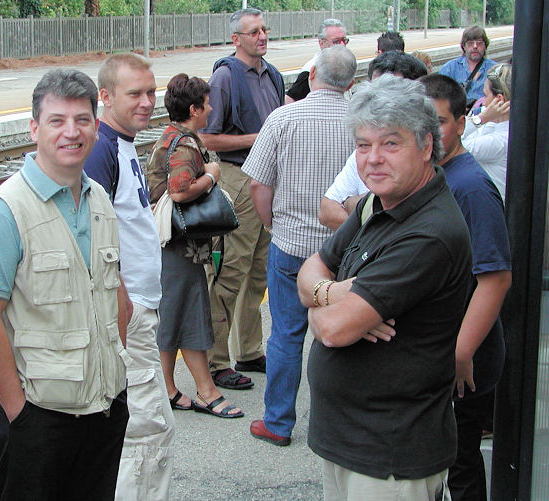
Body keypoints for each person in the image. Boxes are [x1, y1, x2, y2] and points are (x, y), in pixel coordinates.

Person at [299, 75, 473, 500]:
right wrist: (335, 294)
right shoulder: (376, 204)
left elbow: (333, 329)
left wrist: (320, 307)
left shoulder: (429, 233)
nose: (373, 159)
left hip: (389, 458)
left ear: (426, 146)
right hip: (349, 442)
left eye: (390, 144)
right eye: (363, 145)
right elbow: (309, 270)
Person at [0, 69, 130, 501]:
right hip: (39, 418)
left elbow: (115, 292)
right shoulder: (5, 212)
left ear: (96, 127)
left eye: (82, 120)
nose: (71, 132)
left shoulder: (99, 199)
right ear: (34, 128)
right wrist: (18, 415)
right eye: (57, 120)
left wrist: (115, 381)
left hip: (105, 408)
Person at [242, 46, 357, 446]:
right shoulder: (360, 122)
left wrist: (271, 222)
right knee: (341, 335)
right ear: (352, 83)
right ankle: (340, 427)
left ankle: (277, 423)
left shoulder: (282, 118)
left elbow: (258, 183)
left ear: (311, 77)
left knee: (286, 336)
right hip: (342, 251)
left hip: (290, 245)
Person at [82, 54, 175, 500]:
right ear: (105, 96)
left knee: (147, 427)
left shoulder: (120, 143)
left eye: (151, 92)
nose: (146, 102)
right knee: (146, 432)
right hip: (129, 312)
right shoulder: (102, 149)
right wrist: (122, 300)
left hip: (137, 308)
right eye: (134, 93)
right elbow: (88, 230)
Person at [419, 72, 512, 501]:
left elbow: (495, 278)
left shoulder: (471, 187)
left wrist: (460, 354)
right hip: (439, 352)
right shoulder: (436, 175)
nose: (428, 133)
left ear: (461, 122)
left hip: (463, 360)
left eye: (438, 122)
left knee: (459, 464)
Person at [145, 73, 244, 420]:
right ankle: (206, 392)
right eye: (206, 104)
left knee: (172, 316)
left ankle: (167, 389)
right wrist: (212, 175)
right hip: (179, 247)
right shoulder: (185, 144)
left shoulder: (170, 136)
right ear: (194, 109)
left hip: (168, 245)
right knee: (188, 316)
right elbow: (179, 191)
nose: (211, 109)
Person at [199, 7, 285, 391]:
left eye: (264, 29)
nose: (262, 36)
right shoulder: (224, 77)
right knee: (230, 270)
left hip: (267, 181)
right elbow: (208, 138)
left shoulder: (273, 74)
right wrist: (260, 138)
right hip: (238, 178)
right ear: (236, 39)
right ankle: (216, 360)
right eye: (254, 32)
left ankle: (249, 351)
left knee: (258, 271)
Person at [318, 51, 429, 231]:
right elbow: (326, 211)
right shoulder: (366, 153)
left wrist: (354, 204)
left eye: (391, 144)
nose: (374, 158)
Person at [463, 63, 511, 202]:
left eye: (485, 95)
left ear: (499, 100)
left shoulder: (501, 140)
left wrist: (481, 118)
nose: (483, 103)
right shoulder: (496, 123)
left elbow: (451, 145)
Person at [286, 18, 348, 103]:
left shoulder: (345, 65)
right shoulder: (310, 70)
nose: (342, 45)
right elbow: (289, 100)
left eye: (344, 40)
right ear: (321, 43)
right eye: (336, 41)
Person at [439, 25, 497, 107]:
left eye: (479, 43)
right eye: (470, 43)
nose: (475, 46)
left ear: (485, 46)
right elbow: (440, 98)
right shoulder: (449, 69)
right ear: (464, 46)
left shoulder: (495, 69)